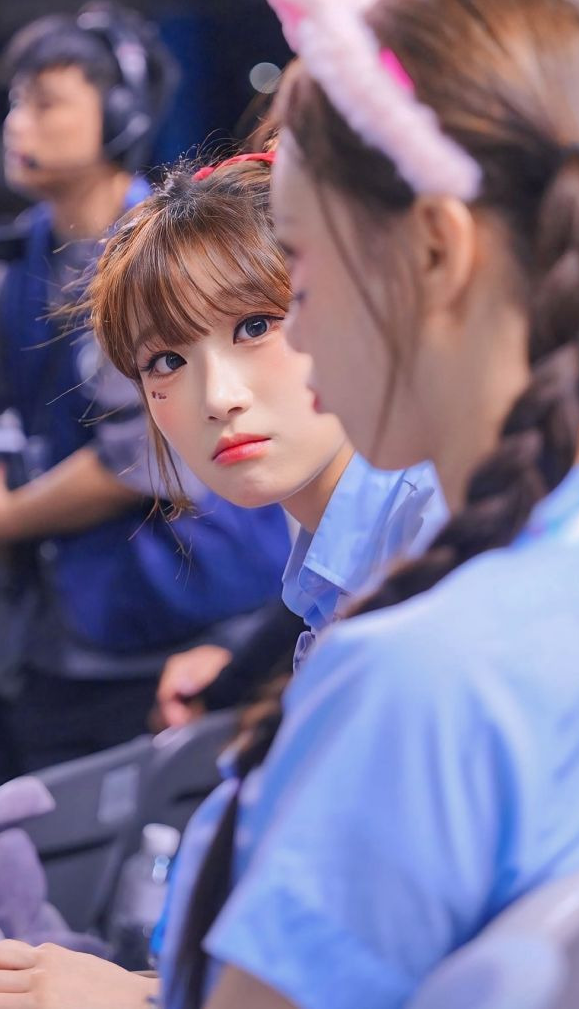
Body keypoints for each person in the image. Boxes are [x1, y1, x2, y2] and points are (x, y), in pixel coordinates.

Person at [0, 0, 579, 1008]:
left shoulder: (413, 677)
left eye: (293, 275)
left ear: (435, 251)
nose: (248, 371)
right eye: (162, 360)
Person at [0, 0, 291, 769]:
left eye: (46, 103)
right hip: (81, 617)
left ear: (119, 118)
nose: (17, 124)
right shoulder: (19, 262)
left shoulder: (153, 249)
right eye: (16, 103)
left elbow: (140, 455)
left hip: (194, 605)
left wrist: (3, 517)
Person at [88, 150, 444, 725]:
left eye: (254, 327)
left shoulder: (435, 532)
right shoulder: (336, 568)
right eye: (167, 361)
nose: (217, 397)